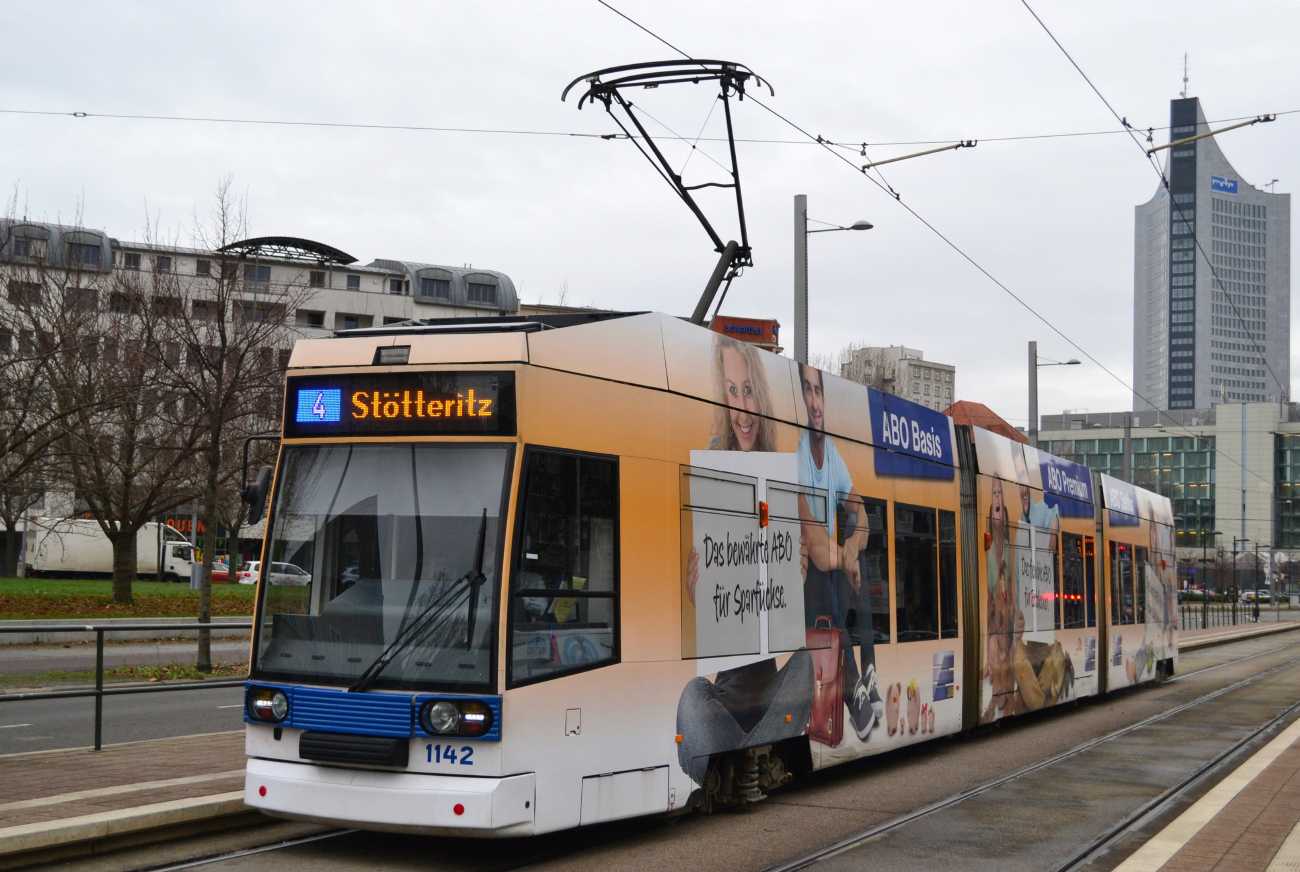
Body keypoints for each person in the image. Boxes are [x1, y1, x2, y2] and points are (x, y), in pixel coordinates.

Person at [677, 336, 812, 786]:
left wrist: (797, 580)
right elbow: (718, 597)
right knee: (692, 698)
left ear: (762, 397)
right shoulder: (713, 468)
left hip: (771, 688)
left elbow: (782, 603)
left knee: (806, 663)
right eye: (731, 391)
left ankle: (737, 759)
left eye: (749, 389)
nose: (741, 407)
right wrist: (699, 595)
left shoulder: (779, 474)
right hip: (727, 691)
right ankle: (758, 750)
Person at [796, 363, 883, 742]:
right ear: (800, 401)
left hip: (830, 577)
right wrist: (846, 555)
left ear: (824, 399)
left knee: (855, 549)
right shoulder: (795, 455)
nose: (815, 402)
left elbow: (863, 515)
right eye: (807, 392)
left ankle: (868, 675)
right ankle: (855, 695)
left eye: (818, 391)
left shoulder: (831, 453)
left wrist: (851, 546)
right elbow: (814, 546)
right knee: (828, 570)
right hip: (801, 581)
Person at [709, 335, 777, 452]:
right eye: (733, 390)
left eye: (748, 390)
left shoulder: (773, 455)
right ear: (724, 396)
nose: (744, 416)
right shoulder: (714, 454)